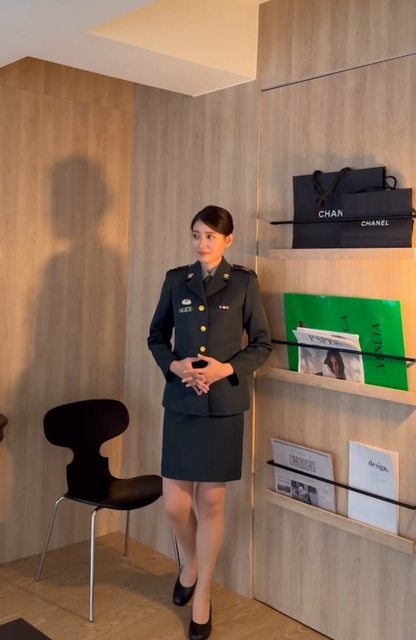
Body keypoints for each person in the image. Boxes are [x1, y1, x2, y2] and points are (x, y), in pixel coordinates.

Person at [147, 205, 271, 640]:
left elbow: (261, 343)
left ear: (228, 240)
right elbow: (156, 337)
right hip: (182, 403)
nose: (202, 243)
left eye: (210, 236)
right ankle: (192, 564)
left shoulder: (244, 283)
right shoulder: (175, 280)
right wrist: (175, 366)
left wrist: (225, 370)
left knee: (212, 503)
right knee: (175, 505)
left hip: (223, 407)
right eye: (196, 235)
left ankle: (202, 595)